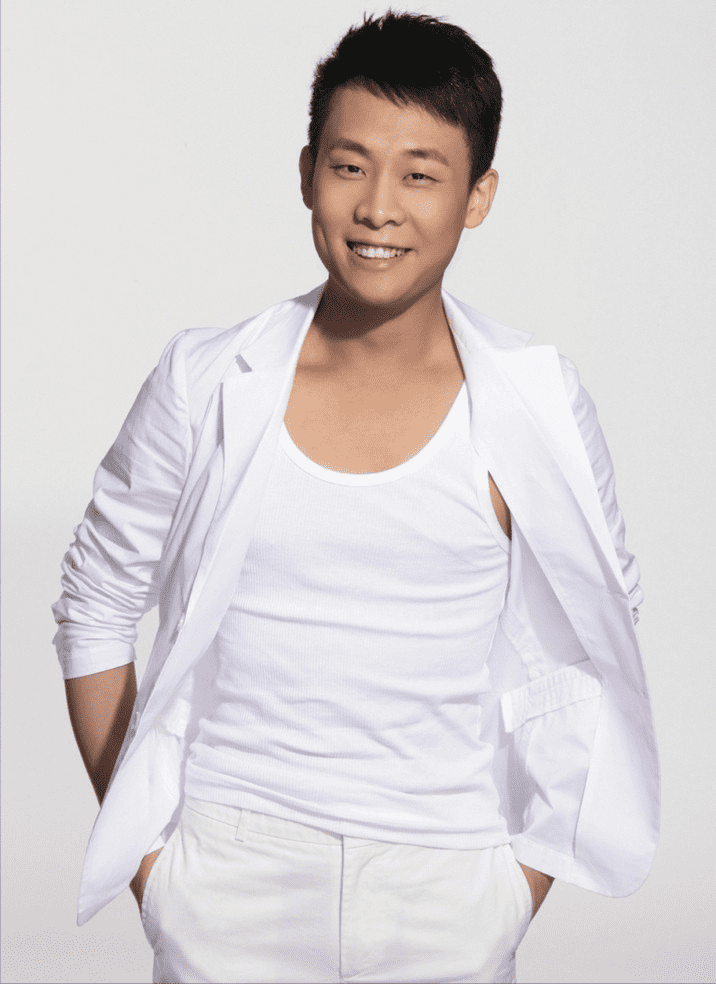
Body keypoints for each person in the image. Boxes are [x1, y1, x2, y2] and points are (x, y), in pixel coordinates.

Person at [54, 11, 659, 984]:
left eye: (420, 174)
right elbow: (94, 602)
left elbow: (601, 626)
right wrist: (154, 871)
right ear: (307, 175)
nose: (378, 208)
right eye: (349, 166)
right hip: (227, 866)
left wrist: (519, 885)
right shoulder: (205, 380)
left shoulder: (537, 399)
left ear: (477, 195)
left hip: (450, 878)